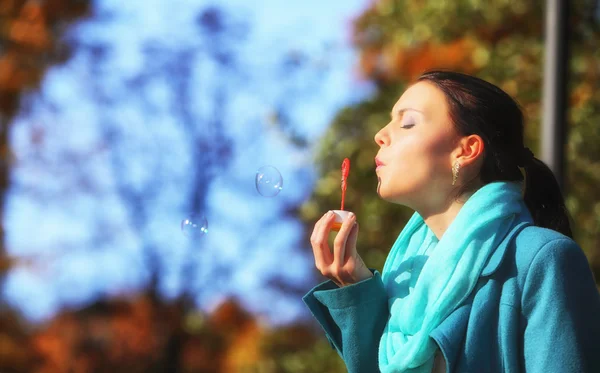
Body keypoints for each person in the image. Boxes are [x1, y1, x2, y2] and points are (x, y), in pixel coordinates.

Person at [303, 70, 600, 373]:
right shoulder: (404, 285)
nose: (380, 134)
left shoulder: (539, 259)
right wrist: (357, 287)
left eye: (407, 122)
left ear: (466, 150)